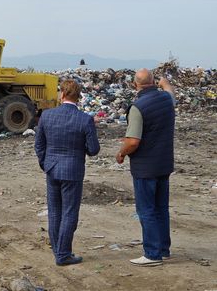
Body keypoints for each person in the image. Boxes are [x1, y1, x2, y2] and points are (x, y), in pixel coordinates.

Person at [35, 79, 100, 266]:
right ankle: (63, 254)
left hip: (52, 169)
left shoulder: (47, 116)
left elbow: (39, 145)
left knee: (55, 212)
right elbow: (94, 149)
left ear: (61, 94)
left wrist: (45, 163)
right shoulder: (85, 119)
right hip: (73, 170)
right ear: (78, 97)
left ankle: (59, 251)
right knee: (70, 213)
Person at [116, 69, 176, 267]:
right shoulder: (167, 101)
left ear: (135, 85)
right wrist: (163, 82)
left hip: (145, 167)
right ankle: (163, 249)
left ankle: (152, 254)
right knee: (161, 209)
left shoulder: (138, 107)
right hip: (164, 164)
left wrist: (121, 153)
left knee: (147, 210)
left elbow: (133, 141)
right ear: (153, 83)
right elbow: (169, 90)